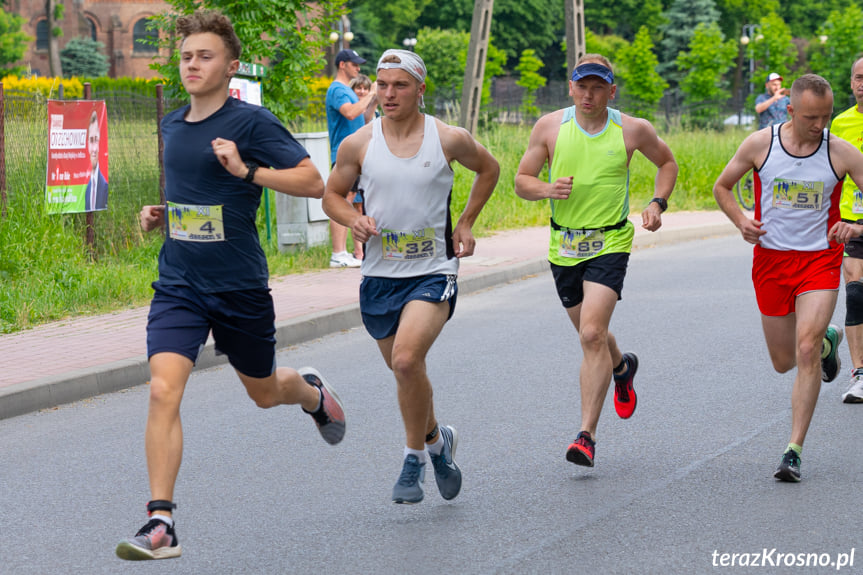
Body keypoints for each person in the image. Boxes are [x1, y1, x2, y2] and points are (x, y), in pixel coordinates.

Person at [114, 10, 346, 560]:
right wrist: (162, 215)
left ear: (231, 65)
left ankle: (311, 394)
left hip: (239, 285)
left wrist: (247, 172)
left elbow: (314, 181)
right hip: (180, 282)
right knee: (162, 388)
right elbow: (194, 197)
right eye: (187, 55)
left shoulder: (252, 123)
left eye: (205, 55)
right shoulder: (171, 123)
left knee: (265, 392)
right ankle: (161, 522)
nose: (192, 64)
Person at [323, 49, 499, 504]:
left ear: (420, 89)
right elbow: (332, 197)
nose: (388, 94)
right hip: (381, 276)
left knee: (405, 361)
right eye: (382, 85)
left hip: (433, 270)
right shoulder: (358, 143)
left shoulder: (448, 138)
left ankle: (412, 459)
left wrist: (465, 222)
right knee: (407, 373)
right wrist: (352, 219)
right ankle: (440, 444)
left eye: (399, 85)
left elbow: (489, 169)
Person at [514, 54, 677, 469]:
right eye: (582, 86)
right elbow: (522, 181)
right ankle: (622, 368)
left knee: (590, 335)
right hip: (563, 247)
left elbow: (667, 162)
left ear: (611, 91)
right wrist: (547, 189)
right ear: (570, 87)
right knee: (596, 338)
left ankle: (586, 436)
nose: (589, 95)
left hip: (610, 240)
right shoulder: (550, 126)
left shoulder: (633, 129)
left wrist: (658, 202)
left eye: (598, 87)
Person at [713, 73, 863, 482]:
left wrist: (856, 227)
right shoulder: (762, 144)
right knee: (782, 362)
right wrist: (741, 220)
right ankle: (831, 339)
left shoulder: (841, 152)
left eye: (827, 117)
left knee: (805, 347)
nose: (820, 126)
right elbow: (722, 186)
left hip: (819, 261)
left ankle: (793, 449)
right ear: (791, 110)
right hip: (771, 263)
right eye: (812, 117)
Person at [326, 49, 378, 268]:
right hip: (343, 154)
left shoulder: (347, 90)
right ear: (342, 65)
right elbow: (350, 113)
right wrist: (369, 93)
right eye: (354, 64)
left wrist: (374, 98)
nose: (358, 68)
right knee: (341, 199)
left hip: (357, 154)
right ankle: (338, 253)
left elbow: (364, 119)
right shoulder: (338, 90)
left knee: (353, 201)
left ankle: (347, 252)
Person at [831, 56, 863, 403]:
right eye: (857, 77)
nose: (862, 84)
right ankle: (860, 373)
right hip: (851, 224)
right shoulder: (839, 124)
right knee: (856, 294)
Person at [347, 73, 377, 261]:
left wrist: (373, 99)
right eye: (359, 88)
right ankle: (358, 251)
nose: (363, 91)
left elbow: (368, 118)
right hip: (355, 159)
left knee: (362, 207)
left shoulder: (367, 108)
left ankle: (362, 251)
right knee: (352, 204)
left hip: (370, 161)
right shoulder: (353, 108)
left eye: (366, 88)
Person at [84, 109, 109, 211]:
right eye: (91, 140)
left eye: (96, 140)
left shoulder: (105, 187)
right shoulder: (87, 189)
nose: (94, 149)